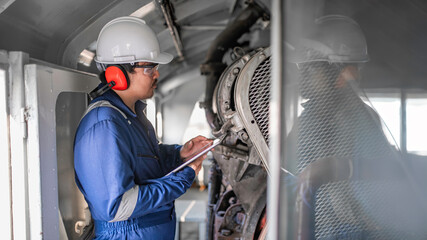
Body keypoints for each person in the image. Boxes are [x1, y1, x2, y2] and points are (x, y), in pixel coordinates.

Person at [74, 16, 212, 240]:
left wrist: (179, 155)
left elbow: (145, 164)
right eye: (150, 68)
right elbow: (118, 207)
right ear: (117, 74)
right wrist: (184, 176)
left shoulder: (131, 115)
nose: (157, 74)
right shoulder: (105, 124)